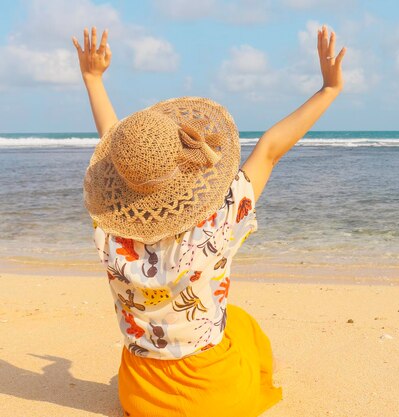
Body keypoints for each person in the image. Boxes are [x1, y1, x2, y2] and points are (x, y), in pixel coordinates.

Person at [72, 24, 346, 417]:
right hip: (213, 396)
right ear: (184, 164)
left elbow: (118, 144)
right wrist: (329, 90)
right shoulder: (216, 222)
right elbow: (268, 151)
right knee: (244, 328)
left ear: (118, 178)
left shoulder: (109, 231)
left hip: (141, 395)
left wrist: (92, 78)